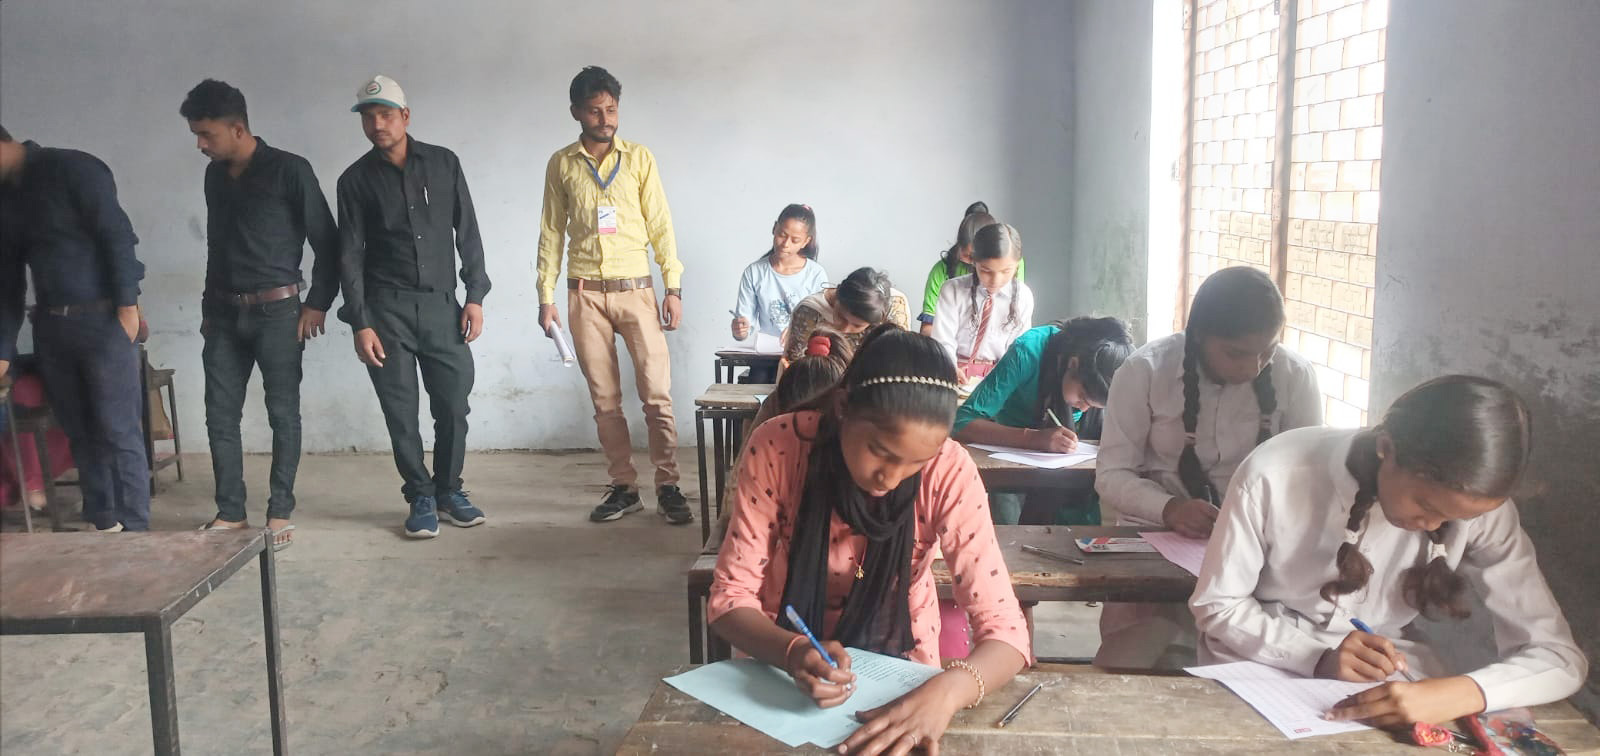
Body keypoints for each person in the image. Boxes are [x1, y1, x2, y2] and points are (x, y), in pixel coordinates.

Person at [1191, 376, 1587, 727]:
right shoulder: (1274, 472)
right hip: (1259, 662)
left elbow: (1559, 657)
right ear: (1386, 449)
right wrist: (1317, 656)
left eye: (1454, 519)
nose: (1435, 526)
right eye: (1427, 506)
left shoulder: (1483, 513)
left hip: (1391, 674)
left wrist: (1462, 691)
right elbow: (1218, 604)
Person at [709, 326, 1029, 755]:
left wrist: (948, 691)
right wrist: (791, 651)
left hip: (903, 668)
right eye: (880, 451)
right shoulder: (780, 448)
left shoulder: (949, 470)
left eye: (916, 463)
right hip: (777, 661)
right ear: (842, 407)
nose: (891, 478)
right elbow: (729, 600)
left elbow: (1006, 630)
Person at [1095, 265, 1322, 669]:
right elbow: (1112, 475)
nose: (1253, 368)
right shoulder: (1144, 371)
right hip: (1154, 545)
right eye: (1236, 353)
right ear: (1199, 335)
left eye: (1267, 351)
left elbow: (1309, 479)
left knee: (1241, 672)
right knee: (1137, 667)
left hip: (1255, 554)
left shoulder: (1296, 376)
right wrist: (1170, 509)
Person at [180, 79, 340, 550]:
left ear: (238, 128)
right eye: (196, 134)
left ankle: (278, 512)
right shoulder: (214, 176)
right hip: (224, 316)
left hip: (279, 313)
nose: (199, 145)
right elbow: (216, 246)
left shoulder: (290, 170)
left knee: (282, 412)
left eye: (206, 135)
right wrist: (210, 309)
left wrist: (317, 304)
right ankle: (229, 512)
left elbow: (326, 243)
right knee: (219, 415)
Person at [535, 66, 692, 526]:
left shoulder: (640, 159)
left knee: (657, 395)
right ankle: (624, 486)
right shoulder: (561, 164)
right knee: (605, 400)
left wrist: (673, 286)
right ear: (575, 113)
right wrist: (545, 298)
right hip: (585, 296)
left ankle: (668, 485)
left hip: (637, 291)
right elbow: (550, 233)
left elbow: (661, 225)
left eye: (611, 109)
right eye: (594, 110)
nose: (605, 118)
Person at [336, 75, 490, 539]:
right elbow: (350, 255)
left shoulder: (444, 164)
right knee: (400, 411)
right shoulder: (355, 180)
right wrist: (360, 322)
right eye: (368, 117)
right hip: (386, 312)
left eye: (385, 114)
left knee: (452, 404)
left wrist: (475, 296)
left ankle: (450, 490)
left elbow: (468, 232)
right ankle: (419, 495)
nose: (377, 124)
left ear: (405, 116)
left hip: (443, 307)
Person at [0, 124, 150, 532]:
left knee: (118, 430)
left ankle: (137, 530)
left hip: (103, 320)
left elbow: (116, 235)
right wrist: (3, 350)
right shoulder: (8, 200)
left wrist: (126, 309)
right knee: (80, 431)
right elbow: (8, 280)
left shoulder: (73, 168)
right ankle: (104, 523)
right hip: (52, 326)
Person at [953, 316, 1133, 524]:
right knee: (1009, 536)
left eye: (1093, 406)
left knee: (1069, 535)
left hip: (1062, 471)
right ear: (1072, 365)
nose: (1084, 408)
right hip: (1007, 458)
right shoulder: (1028, 352)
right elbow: (962, 423)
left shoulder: (1102, 371)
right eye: (1083, 397)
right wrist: (1033, 439)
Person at [729, 203, 828, 383]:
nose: (785, 244)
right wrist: (740, 330)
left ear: (806, 241)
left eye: (795, 240)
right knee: (757, 390)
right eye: (782, 234)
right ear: (774, 228)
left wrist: (798, 333)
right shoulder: (755, 272)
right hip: (766, 357)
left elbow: (823, 324)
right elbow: (744, 326)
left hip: (802, 356)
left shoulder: (815, 274)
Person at [930, 222, 1034, 384]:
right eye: (986, 271)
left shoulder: (1023, 297)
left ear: (1017, 264)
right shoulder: (952, 290)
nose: (996, 280)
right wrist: (950, 368)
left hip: (1000, 378)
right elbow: (943, 341)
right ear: (974, 262)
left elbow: (1018, 348)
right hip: (954, 374)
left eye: (1006, 271)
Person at [917, 202, 1024, 336]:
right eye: (967, 255)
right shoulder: (943, 273)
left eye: (1005, 271)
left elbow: (1014, 326)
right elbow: (928, 329)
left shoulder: (1011, 265)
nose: (995, 280)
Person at [781, 267, 910, 365]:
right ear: (837, 296)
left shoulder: (894, 307)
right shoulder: (809, 311)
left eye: (857, 325)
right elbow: (793, 362)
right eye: (841, 317)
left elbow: (899, 358)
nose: (845, 329)